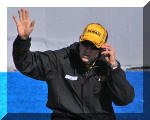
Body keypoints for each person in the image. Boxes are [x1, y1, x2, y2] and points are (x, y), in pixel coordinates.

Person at [12, 8, 135, 120]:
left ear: (102, 48)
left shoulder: (108, 67)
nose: (87, 49)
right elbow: (25, 63)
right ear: (80, 40)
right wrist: (22, 40)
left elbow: (124, 99)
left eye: (93, 46)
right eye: (85, 43)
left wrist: (114, 67)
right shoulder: (60, 60)